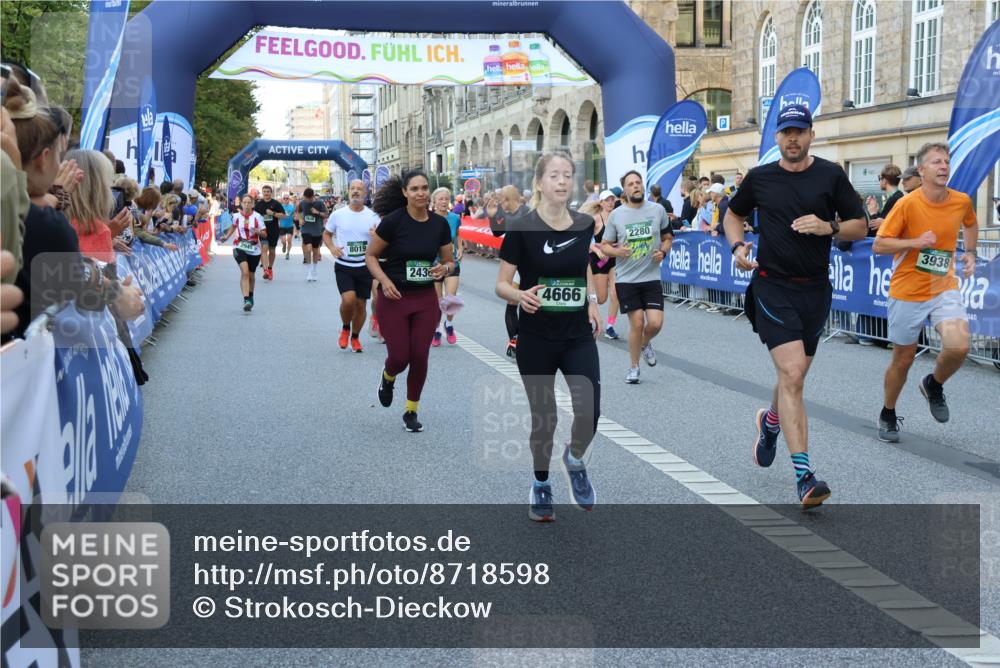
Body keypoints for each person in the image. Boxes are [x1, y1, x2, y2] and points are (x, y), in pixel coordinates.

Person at [722, 104, 867, 508]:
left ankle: (771, 422)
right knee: (792, 371)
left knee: (795, 379)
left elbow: (860, 224)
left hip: (815, 290)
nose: (792, 138)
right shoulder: (760, 178)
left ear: (811, 135)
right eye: (786, 132)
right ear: (776, 137)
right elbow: (731, 215)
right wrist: (736, 245)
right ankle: (805, 476)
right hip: (772, 287)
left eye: (799, 131)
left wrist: (829, 227)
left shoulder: (831, 174)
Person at [495, 150, 602, 522]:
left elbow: (584, 264)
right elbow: (501, 285)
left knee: (591, 411)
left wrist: (591, 301)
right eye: (554, 175)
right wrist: (520, 295)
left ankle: (574, 459)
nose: (561, 181)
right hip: (537, 336)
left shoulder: (585, 223)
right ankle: (541, 483)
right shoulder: (521, 226)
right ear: (539, 182)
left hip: (576, 334)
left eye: (567, 175)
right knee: (546, 418)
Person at [872, 142, 978, 442]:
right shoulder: (906, 204)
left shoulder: (961, 200)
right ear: (921, 170)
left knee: (959, 345)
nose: (943, 166)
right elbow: (880, 244)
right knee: (903, 359)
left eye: (946, 161)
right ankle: (888, 412)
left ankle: (933, 383)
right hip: (907, 289)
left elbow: (970, 223)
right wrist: (914, 242)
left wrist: (969, 252)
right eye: (936, 162)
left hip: (942, 285)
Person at [366, 171, 454, 433]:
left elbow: (450, 260)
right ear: (404, 192)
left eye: (424, 188)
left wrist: (445, 270)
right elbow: (371, 256)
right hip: (394, 298)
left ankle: (411, 410)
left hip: (425, 298)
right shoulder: (393, 222)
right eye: (414, 188)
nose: (421, 193)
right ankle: (388, 376)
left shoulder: (439, 224)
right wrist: (385, 281)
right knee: (400, 356)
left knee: (420, 355)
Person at [601, 170, 672, 383]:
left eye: (638, 182)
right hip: (626, 279)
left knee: (656, 323)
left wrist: (664, 251)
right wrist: (617, 252)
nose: (636, 186)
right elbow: (604, 246)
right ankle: (634, 367)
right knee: (638, 322)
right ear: (625, 190)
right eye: (631, 184)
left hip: (651, 276)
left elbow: (668, 238)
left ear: (644, 185)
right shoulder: (617, 215)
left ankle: (644, 343)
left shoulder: (657, 210)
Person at [324, 179, 379, 353]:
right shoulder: (338, 214)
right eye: (353, 188)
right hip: (344, 265)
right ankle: (345, 327)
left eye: (359, 189)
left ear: (365, 193)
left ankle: (355, 337)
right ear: (348, 191)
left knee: (361, 305)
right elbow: (326, 234)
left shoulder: (373, 216)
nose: (356, 191)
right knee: (349, 300)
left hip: (365, 266)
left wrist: (376, 236)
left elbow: (383, 242)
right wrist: (332, 247)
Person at [487, 185, 528, 357]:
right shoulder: (505, 213)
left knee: (527, 301)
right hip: (513, 263)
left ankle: (526, 339)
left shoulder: (528, 211)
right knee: (512, 300)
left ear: (509, 199)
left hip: (530, 263)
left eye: (501, 200)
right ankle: (514, 339)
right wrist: (492, 216)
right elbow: (497, 233)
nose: (499, 204)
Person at [579, 190, 620, 338]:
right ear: (601, 203)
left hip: (614, 260)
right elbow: (583, 240)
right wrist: (596, 250)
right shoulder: (596, 220)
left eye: (612, 200)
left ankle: (610, 326)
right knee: (601, 298)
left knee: (616, 293)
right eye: (607, 200)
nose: (610, 203)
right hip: (599, 261)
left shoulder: (618, 218)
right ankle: (586, 308)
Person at [218, 195, 266, 312]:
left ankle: (251, 295)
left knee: (251, 275)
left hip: (254, 248)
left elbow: (264, 234)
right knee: (245, 273)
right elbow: (233, 227)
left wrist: (258, 232)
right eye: (244, 203)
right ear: (241, 204)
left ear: (252, 204)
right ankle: (246, 300)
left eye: (249, 203)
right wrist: (226, 236)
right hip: (239, 246)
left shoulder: (257, 217)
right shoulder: (236, 216)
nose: (246, 205)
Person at [431, 187, 463, 347]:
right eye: (440, 199)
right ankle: (436, 330)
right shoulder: (428, 218)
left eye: (446, 199)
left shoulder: (455, 218)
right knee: (437, 302)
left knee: (451, 299)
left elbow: (457, 234)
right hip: (434, 264)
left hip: (452, 263)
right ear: (434, 202)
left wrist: (461, 248)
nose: (443, 202)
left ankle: (449, 325)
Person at [254, 185, 286, 280]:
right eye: (264, 191)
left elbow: (283, 215)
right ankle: (265, 271)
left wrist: (273, 213)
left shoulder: (276, 204)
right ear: (262, 193)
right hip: (263, 231)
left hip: (274, 230)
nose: (266, 193)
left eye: (268, 191)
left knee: (272, 251)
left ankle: (270, 268)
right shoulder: (259, 204)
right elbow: (254, 217)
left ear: (271, 193)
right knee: (264, 249)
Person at [298, 188, 328, 282]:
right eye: (305, 198)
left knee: (315, 251)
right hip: (306, 229)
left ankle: (314, 269)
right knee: (308, 247)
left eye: (308, 199)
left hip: (317, 230)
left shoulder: (320, 203)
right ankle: (309, 270)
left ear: (312, 197)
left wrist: (317, 212)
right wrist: (300, 219)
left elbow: (326, 214)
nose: (307, 200)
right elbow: (298, 212)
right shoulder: (302, 203)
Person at [279, 193, 295, 259]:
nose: (285, 199)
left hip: (290, 226)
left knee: (289, 240)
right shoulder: (280, 206)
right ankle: (284, 245)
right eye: (284, 198)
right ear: (282, 199)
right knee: (283, 241)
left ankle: (288, 253)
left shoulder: (292, 206)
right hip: (282, 226)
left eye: (287, 198)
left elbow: (294, 214)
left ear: (289, 199)